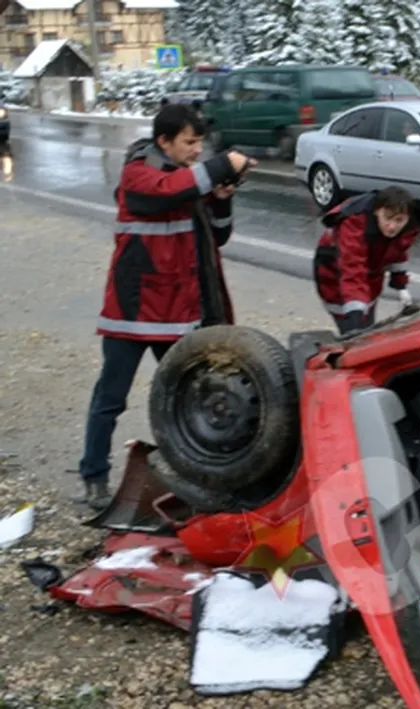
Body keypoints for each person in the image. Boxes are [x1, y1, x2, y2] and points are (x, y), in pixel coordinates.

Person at [77, 103, 256, 510]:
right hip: (132, 313)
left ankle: (203, 474)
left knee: (193, 399)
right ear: (164, 142)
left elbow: (216, 237)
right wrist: (219, 166)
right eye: (189, 142)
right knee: (111, 397)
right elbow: (164, 193)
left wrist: (223, 198)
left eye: (201, 143)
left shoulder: (186, 180)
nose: (197, 150)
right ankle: (94, 476)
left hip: (178, 314)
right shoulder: (139, 174)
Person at [313, 187, 420, 336]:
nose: (393, 226)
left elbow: (396, 253)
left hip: (370, 279)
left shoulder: (406, 228)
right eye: (388, 218)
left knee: (367, 329)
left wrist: (400, 284)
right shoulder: (354, 224)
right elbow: (352, 269)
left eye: (399, 220)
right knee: (353, 333)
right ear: (377, 211)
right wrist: (355, 315)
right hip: (334, 278)